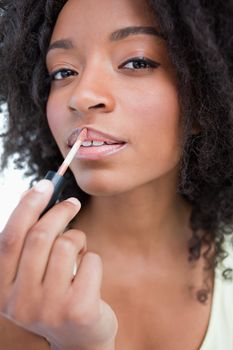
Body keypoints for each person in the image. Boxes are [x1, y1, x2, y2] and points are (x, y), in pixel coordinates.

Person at [0, 0, 232, 349]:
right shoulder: (15, 299)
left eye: (136, 62)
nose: (82, 96)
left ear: (204, 97)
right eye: (63, 72)